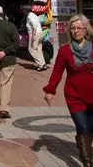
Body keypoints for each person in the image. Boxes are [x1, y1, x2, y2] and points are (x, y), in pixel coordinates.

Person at [44, 15, 93, 167]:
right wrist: (50, 90)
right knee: (82, 126)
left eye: (79, 28)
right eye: (73, 28)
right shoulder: (65, 50)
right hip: (74, 95)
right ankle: (87, 162)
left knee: (90, 128)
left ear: (86, 30)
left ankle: (85, 150)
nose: (76, 31)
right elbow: (57, 71)